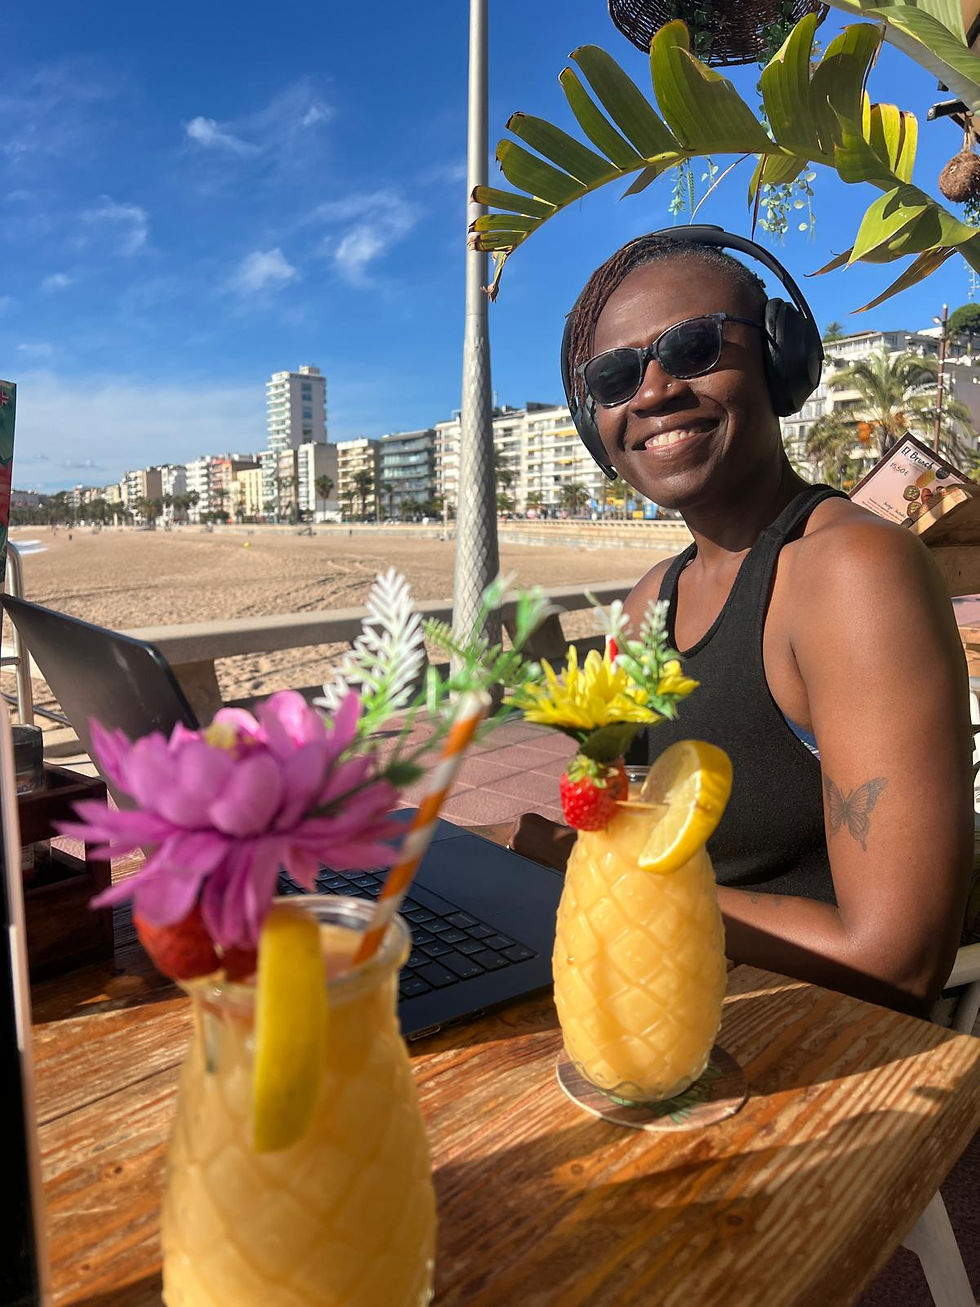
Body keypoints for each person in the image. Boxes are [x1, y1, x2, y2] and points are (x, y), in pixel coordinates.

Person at [511, 229, 974, 1018]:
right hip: (669, 1002)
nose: (653, 391)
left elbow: (895, 960)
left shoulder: (851, 574)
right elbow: (626, 829)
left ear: (780, 358)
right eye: (616, 376)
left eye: (691, 347)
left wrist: (577, 868)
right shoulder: (647, 602)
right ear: (597, 426)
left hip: (821, 1043)